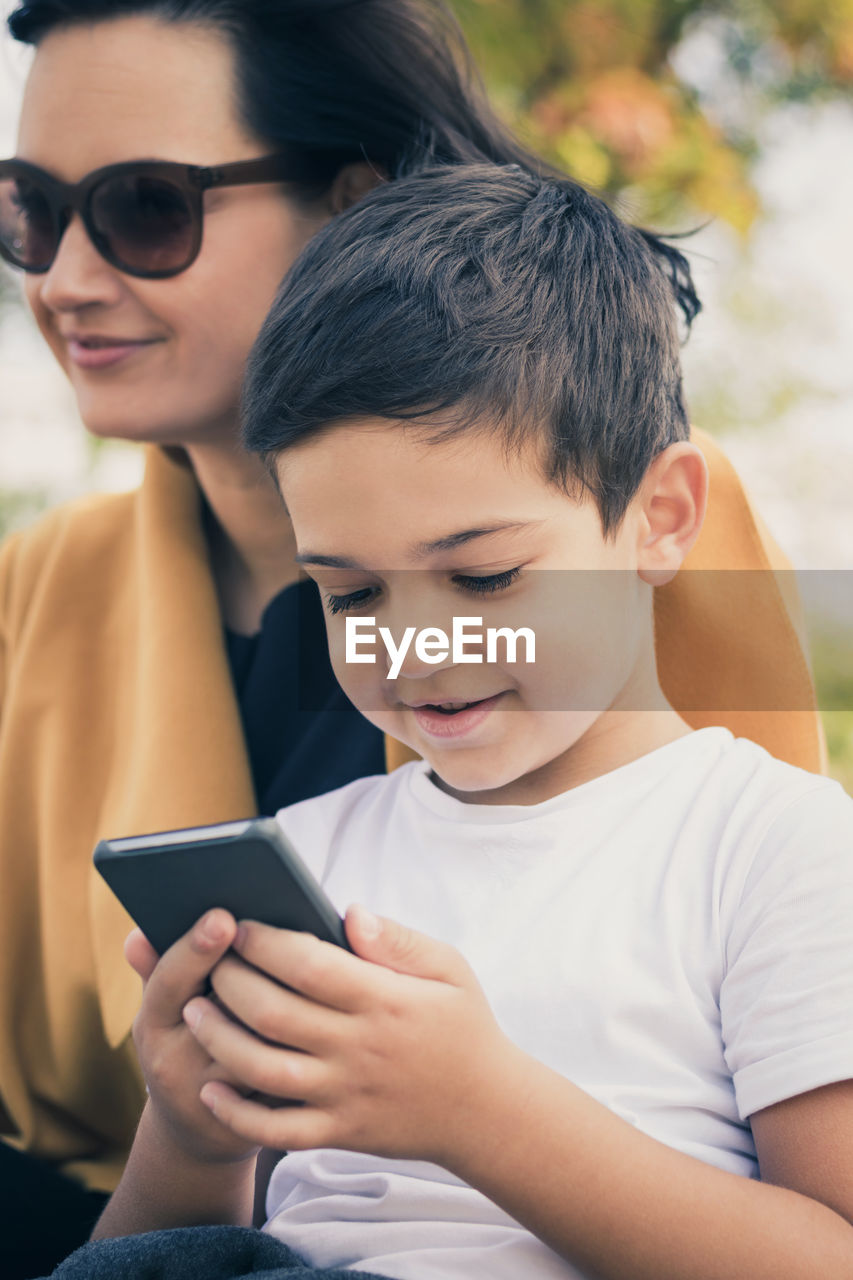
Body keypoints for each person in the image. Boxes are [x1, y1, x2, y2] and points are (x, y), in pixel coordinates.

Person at [0, 0, 825, 1273]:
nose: (62, 278)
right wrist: (196, 1114)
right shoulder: (319, 840)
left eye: (147, 205)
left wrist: (471, 1107)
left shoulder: (756, 842)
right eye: (352, 596)